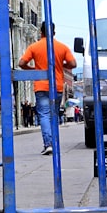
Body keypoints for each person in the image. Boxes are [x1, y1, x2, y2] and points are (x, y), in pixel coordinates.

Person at [18, 22, 76, 155]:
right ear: (54, 32)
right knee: (53, 115)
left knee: (44, 115)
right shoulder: (62, 47)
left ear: (41, 32)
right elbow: (73, 63)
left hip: (41, 86)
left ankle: (48, 143)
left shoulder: (34, 46)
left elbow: (21, 63)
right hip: (57, 86)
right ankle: (54, 143)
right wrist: (61, 64)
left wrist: (32, 69)